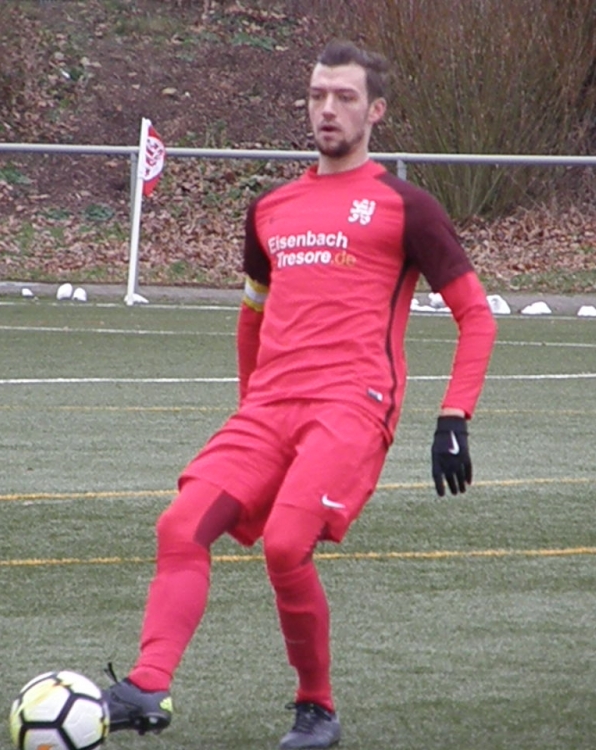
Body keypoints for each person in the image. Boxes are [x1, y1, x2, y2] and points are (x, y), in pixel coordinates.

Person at [102, 39, 497, 749]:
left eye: (344, 97)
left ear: (375, 111)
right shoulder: (270, 208)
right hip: (268, 410)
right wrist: (248, 404)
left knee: (286, 546)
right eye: (317, 95)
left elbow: (477, 315)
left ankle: (317, 708)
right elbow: (251, 317)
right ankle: (148, 685)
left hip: (352, 407)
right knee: (179, 527)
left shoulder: (406, 206)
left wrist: (453, 416)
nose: (327, 109)